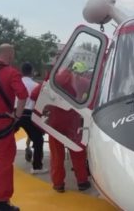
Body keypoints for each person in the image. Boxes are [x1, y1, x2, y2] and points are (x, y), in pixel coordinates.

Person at [30, 61, 91, 193]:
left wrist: (46, 106)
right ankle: (82, 182)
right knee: (78, 152)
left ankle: (58, 184)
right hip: (73, 121)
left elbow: (34, 95)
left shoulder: (54, 80)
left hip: (55, 122)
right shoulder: (84, 82)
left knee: (57, 155)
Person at [0, 43, 28, 211]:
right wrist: (17, 116)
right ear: (11, 55)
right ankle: (1, 202)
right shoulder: (12, 73)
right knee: (4, 165)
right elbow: (23, 95)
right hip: (3, 126)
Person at [15, 62, 48, 174]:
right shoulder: (35, 85)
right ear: (32, 71)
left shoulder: (16, 83)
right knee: (38, 140)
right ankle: (37, 166)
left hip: (15, 114)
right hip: (29, 114)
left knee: (4, 138)